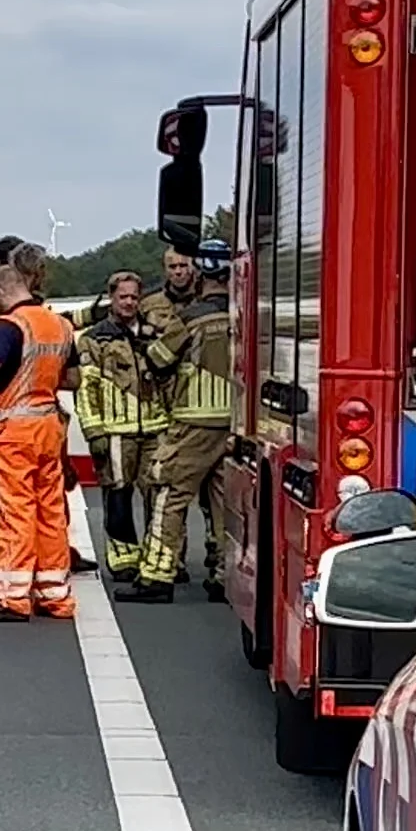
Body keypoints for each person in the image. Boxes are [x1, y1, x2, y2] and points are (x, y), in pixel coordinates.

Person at [0, 248, 76, 621]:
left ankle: (11, 597)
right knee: (51, 511)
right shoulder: (59, 325)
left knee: (14, 512)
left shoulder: (9, 326)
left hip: (11, 433)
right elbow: (73, 378)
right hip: (49, 427)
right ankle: (53, 593)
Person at [124, 241, 237, 604]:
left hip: (194, 418)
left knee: (167, 491)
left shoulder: (190, 317)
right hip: (237, 420)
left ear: (201, 274)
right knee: (225, 501)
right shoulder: (246, 315)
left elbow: (159, 359)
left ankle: (157, 574)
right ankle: (224, 575)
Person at [73, 269, 165, 553]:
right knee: (117, 495)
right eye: (123, 296)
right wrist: (93, 431)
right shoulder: (93, 339)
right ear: (111, 297)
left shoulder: (154, 336)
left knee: (158, 495)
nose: (128, 302)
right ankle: (123, 556)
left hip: (155, 428)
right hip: (114, 431)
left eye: (134, 297)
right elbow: (85, 388)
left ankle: (156, 556)